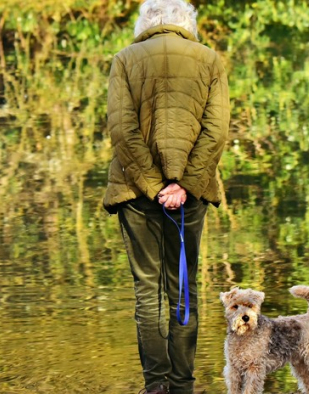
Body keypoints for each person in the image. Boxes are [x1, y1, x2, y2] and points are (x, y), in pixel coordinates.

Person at [102, 0, 230, 393]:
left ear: (146, 22)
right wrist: (184, 185)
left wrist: (155, 187)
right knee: (183, 288)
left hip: (135, 192)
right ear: (186, 23)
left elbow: (121, 130)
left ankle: (155, 386)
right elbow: (217, 131)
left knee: (148, 290)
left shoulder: (124, 59)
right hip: (188, 196)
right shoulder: (210, 60)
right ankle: (183, 386)